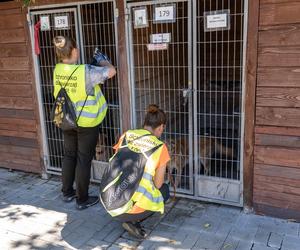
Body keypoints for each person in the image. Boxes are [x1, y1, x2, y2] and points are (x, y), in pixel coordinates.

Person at [53, 36, 116, 210]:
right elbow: (111, 72)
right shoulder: (85, 71)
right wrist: (103, 61)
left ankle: (67, 193)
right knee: (83, 159)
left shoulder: (57, 69)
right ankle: (82, 199)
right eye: (77, 48)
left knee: (69, 155)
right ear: (73, 51)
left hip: (66, 119)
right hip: (87, 122)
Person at [100, 105, 170, 239]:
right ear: (161, 127)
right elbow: (158, 184)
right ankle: (133, 221)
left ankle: (128, 213)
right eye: (162, 130)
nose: (161, 133)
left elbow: (120, 166)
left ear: (145, 124)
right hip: (127, 209)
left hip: (108, 201)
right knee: (164, 190)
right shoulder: (160, 147)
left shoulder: (127, 135)